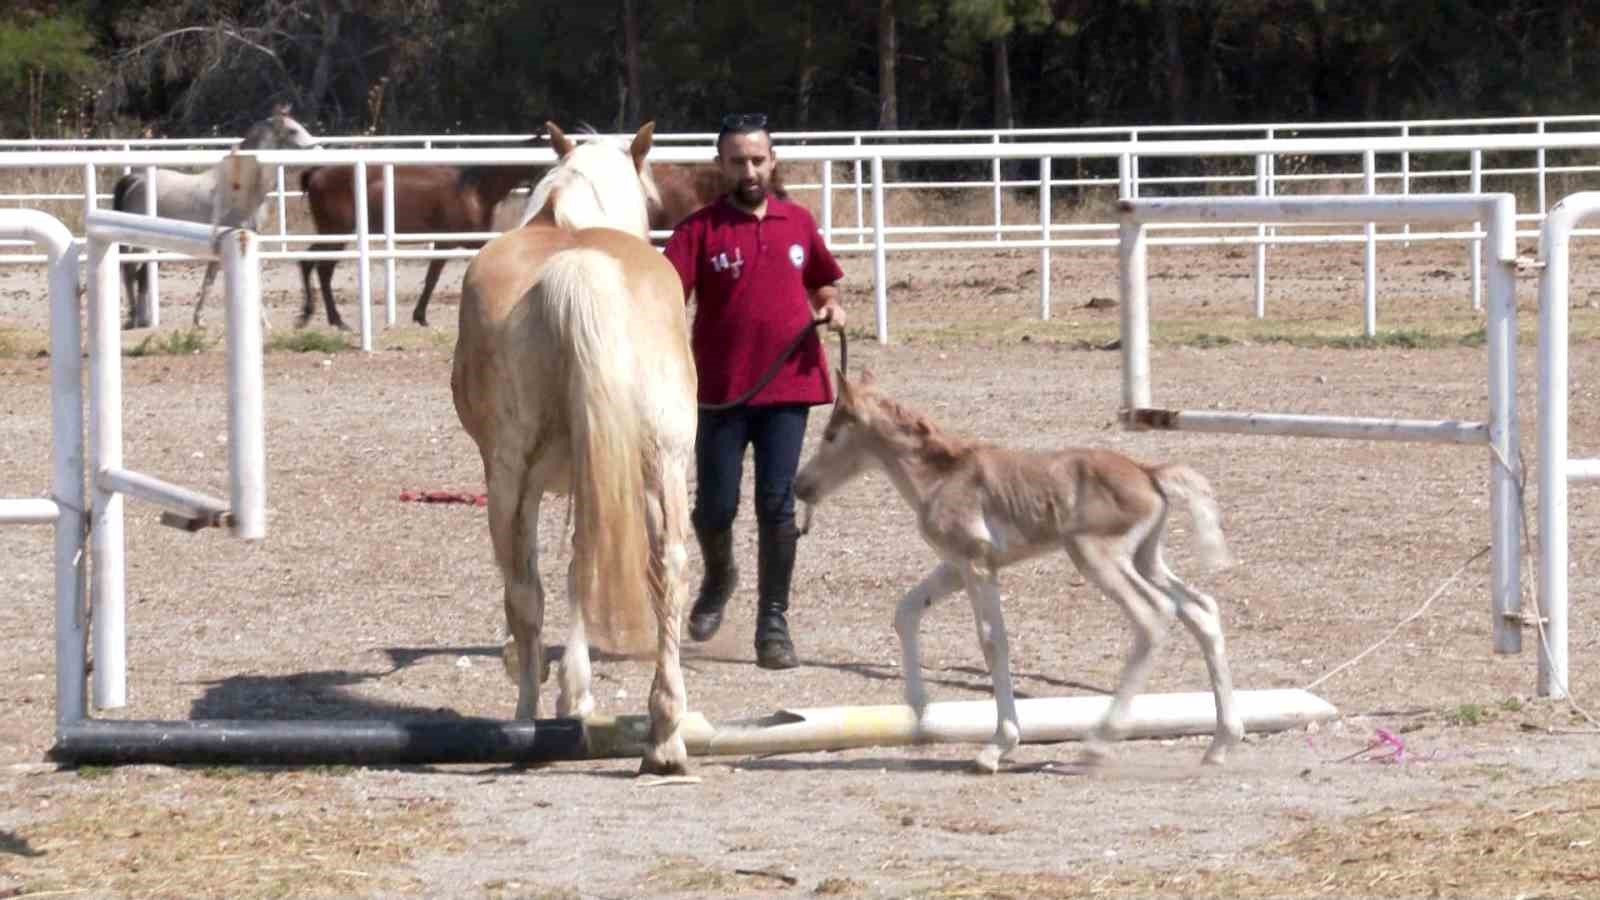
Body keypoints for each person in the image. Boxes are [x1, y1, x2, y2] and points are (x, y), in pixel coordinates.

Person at [662, 112, 847, 670]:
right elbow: (666, 294)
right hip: (719, 390)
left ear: (773, 161)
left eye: (758, 159)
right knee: (715, 507)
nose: (749, 169)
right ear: (721, 164)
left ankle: (773, 622)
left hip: (789, 385)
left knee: (777, 504)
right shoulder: (699, 231)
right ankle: (719, 577)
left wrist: (831, 306)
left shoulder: (798, 221)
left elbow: (820, 279)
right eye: (738, 160)